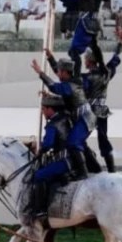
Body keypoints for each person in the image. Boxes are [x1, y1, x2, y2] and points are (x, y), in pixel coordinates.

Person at [30, 51, 94, 179]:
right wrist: (50, 58)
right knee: (79, 143)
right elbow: (59, 90)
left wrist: (40, 73)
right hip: (84, 118)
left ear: (65, 72)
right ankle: (93, 167)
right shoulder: (70, 83)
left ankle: (83, 173)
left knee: (73, 142)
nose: (57, 74)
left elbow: (54, 86)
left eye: (59, 72)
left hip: (85, 119)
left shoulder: (70, 85)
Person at [52, 0, 110, 76]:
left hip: (85, 22)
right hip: (95, 21)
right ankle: (102, 67)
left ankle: (76, 77)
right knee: (94, 45)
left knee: (73, 51)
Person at [29, 95, 74, 225]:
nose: (43, 112)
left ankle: (41, 210)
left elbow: (48, 144)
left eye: (43, 109)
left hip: (63, 161)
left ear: (50, 109)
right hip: (73, 159)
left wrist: (39, 150)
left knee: (38, 175)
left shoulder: (53, 124)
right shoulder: (67, 119)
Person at [82, 34, 122, 173]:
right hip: (101, 110)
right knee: (104, 141)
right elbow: (115, 60)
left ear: (89, 61)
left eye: (85, 59)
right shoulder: (106, 73)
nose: (84, 61)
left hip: (88, 112)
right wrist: (120, 44)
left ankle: (92, 166)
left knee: (78, 139)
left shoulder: (86, 78)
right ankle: (112, 170)